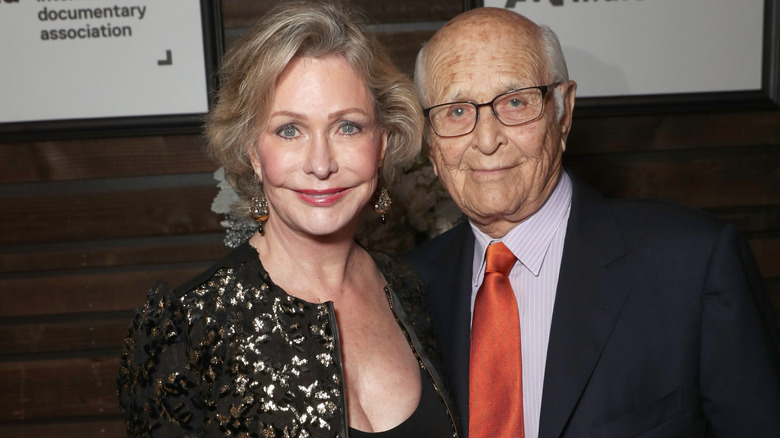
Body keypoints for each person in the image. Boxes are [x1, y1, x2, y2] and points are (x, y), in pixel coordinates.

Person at [407, 7, 780, 438]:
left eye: (515, 102)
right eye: (456, 111)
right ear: (431, 142)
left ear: (563, 113)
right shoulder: (407, 289)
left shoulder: (693, 265)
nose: (487, 139)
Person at [117, 2, 460, 436]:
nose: (320, 164)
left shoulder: (415, 291)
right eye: (289, 130)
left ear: (384, 143)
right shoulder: (186, 330)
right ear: (252, 154)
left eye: (348, 127)